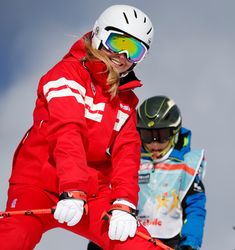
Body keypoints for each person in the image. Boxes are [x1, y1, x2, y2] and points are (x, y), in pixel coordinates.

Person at [0, 5, 163, 250]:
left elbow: (126, 154)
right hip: (37, 182)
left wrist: (124, 204)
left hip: (91, 191)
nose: (123, 55)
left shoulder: (126, 101)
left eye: (135, 50)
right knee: (14, 237)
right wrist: (72, 188)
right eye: (118, 42)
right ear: (99, 34)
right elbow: (67, 130)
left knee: (134, 243)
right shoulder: (66, 75)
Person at [88, 95, 207, 250]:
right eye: (147, 135)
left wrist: (189, 243)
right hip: (128, 233)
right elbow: (106, 193)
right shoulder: (128, 158)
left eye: (162, 135)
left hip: (167, 240)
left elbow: (195, 208)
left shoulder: (186, 164)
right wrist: (98, 239)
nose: (154, 143)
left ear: (174, 132)